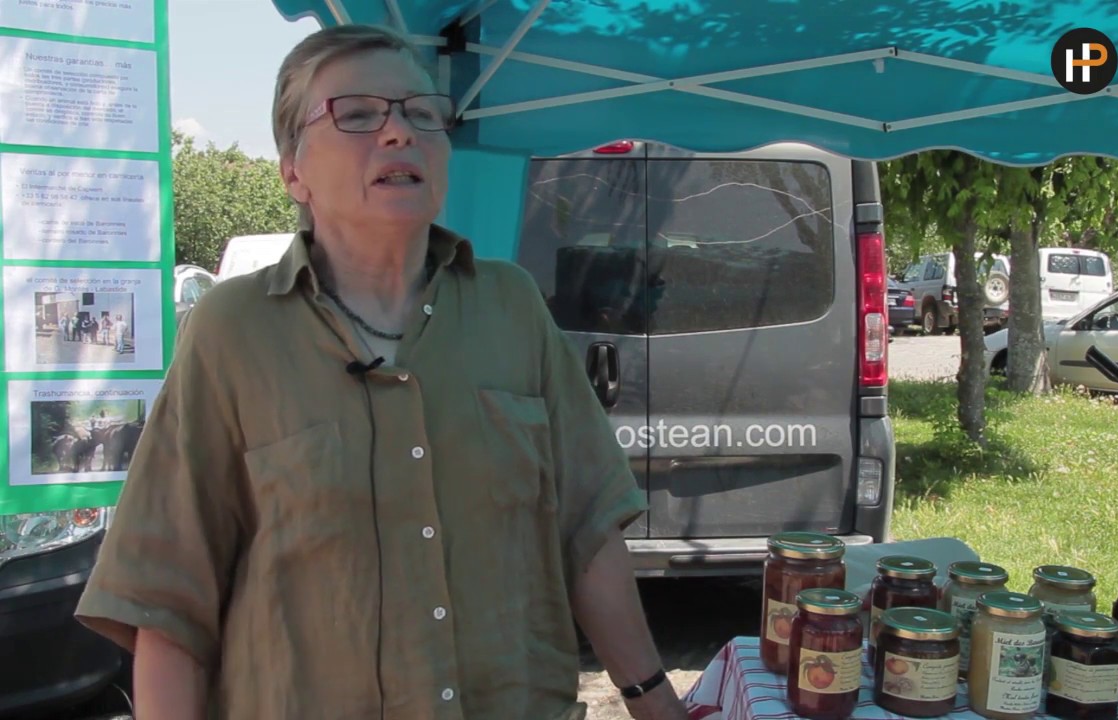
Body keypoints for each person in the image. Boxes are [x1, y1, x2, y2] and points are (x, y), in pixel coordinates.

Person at [74, 23, 689, 720]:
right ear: (293, 171)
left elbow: (588, 528)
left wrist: (654, 702)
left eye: (421, 112)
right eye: (358, 114)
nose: (400, 133)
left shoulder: (511, 306)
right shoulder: (231, 330)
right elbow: (168, 599)